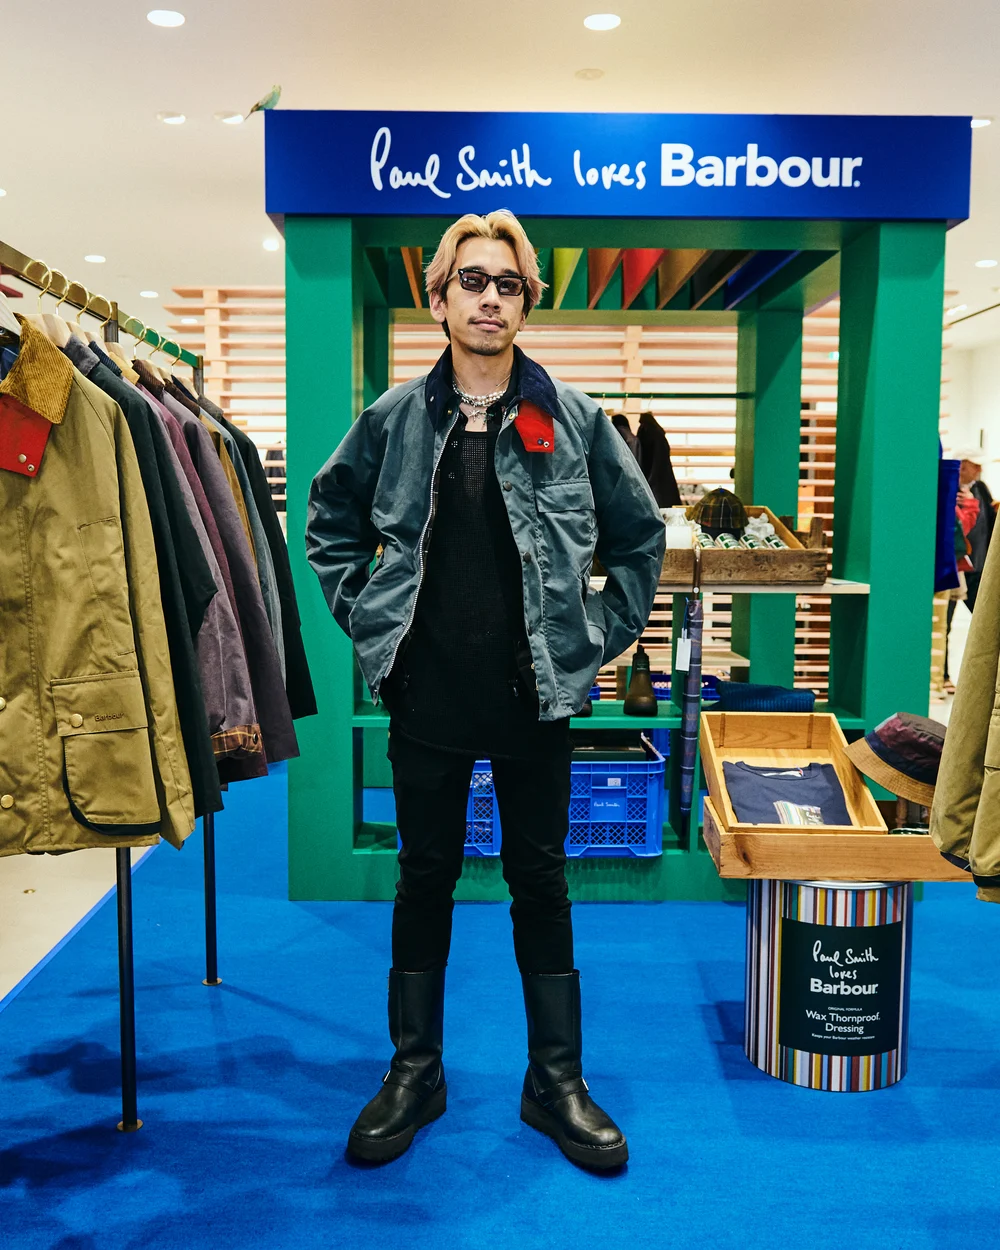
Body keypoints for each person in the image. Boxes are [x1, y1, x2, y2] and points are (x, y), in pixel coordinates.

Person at [306, 210, 665, 1169]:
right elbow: (329, 523)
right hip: (425, 696)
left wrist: (597, 637)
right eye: (472, 280)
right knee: (423, 876)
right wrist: (371, 624)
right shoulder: (393, 419)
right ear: (439, 297)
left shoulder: (575, 419)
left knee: (539, 880)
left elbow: (639, 538)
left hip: (533, 698)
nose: (490, 298)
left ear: (526, 302)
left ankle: (555, 1081)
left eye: (508, 284)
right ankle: (414, 1071)